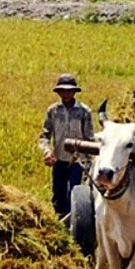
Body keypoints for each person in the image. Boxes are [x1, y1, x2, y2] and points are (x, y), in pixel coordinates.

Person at [38, 73, 94, 219]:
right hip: (59, 160)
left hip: (78, 161)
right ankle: (60, 222)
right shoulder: (53, 111)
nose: (66, 94)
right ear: (58, 92)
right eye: (63, 91)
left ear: (75, 92)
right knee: (58, 195)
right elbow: (44, 136)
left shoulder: (84, 111)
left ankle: (74, 224)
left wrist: (88, 161)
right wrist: (47, 152)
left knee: (75, 194)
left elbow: (89, 138)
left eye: (69, 91)